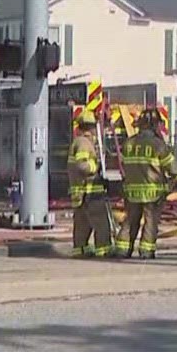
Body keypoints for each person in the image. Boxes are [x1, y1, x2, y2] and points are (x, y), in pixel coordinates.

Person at [115, 109, 177, 259]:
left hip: (131, 192)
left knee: (130, 221)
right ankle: (146, 251)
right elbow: (174, 171)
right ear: (154, 125)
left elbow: (125, 168)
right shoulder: (158, 145)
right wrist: (172, 183)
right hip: (153, 194)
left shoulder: (129, 144)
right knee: (150, 224)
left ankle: (122, 249)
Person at [67, 110, 113, 257]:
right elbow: (82, 166)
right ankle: (104, 250)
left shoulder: (79, 142)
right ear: (91, 127)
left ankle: (80, 249)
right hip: (89, 191)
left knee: (82, 224)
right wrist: (96, 167)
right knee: (101, 223)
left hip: (80, 192)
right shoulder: (84, 143)